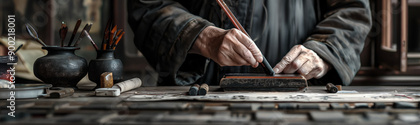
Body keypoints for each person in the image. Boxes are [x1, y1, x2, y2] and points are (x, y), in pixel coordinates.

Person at [128, 0, 372, 86]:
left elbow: (351, 10)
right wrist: (202, 37)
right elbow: (149, 5)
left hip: (299, 95)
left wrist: (324, 52)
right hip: (201, 94)